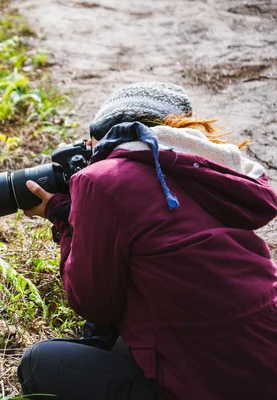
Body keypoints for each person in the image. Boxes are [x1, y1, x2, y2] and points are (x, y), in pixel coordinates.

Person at [17, 82, 277, 400]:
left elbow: (92, 303)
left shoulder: (103, 180)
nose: (87, 149)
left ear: (114, 133)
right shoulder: (210, 169)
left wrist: (63, 217)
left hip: (209, 384)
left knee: (39, 363)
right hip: (264, 365)